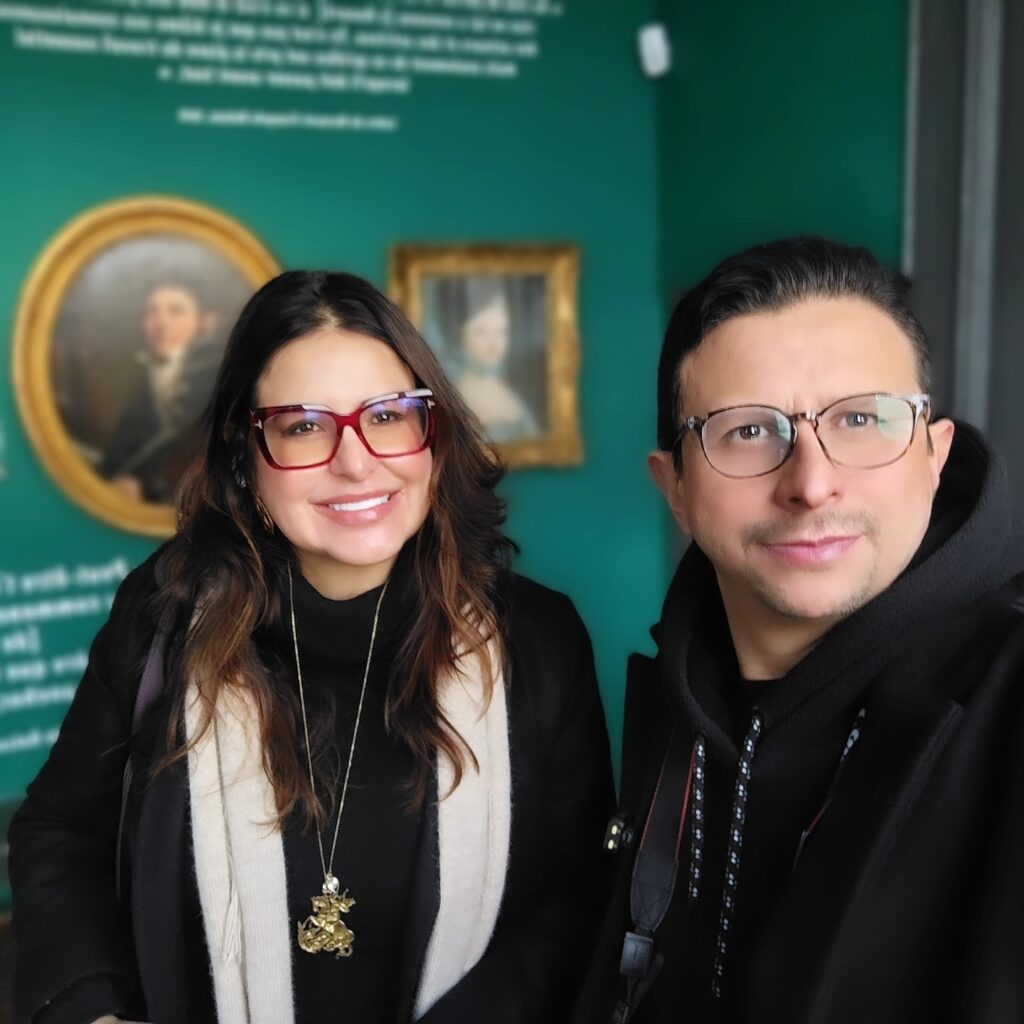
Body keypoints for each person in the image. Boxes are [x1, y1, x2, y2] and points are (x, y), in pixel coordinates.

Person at [10, 270, 613, 1024]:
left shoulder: (539, 639)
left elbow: (573, 891)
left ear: (433, 435)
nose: (356, 461)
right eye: (303, 427)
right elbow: (62, 830)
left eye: (388, 415)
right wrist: (88, 1010)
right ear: (245, 456)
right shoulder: (161, 616)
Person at [574, 236, 1024, 1023]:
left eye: (862, 419)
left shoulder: (1006, 690)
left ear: (934, 454)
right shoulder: (681, 690)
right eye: (748, 431)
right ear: (674, 487)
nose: (812, 483)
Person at [99, 278, 223, 504]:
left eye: (176, 311)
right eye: (152, 312)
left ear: (205, 322)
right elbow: (113, 464)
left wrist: (144, 486)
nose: (161, 324)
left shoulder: (218, 380)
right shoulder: (138, 391)